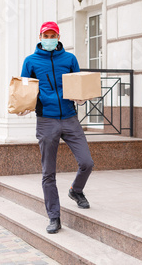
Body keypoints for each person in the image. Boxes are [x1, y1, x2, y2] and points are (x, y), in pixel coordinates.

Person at [19, 21, 94, 234]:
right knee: (48, 172)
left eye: (53, 35)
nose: (49, 38)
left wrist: (80, 99)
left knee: (87, 162)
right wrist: (24, 106)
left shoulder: (69, 59)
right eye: (46, 35)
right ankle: (54, 217)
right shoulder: (30, 61)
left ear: (58, 37)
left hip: (69, 117)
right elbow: (25, 88)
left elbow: (78, 84)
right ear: (40, 36)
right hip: (46, 120)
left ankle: (76, 191)